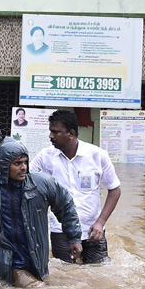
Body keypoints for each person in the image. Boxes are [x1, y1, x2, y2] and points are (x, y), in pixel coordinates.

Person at [0, 140, 82, 288]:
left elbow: (65, 206)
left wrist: (74, 238)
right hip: (9, 261)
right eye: (17, 163)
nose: (23, 167)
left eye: (25, 162)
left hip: (37, 258)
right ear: (5, 165)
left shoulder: (42, 183)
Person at [29, 109, 122, 264]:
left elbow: (115, 190)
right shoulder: (45, 157)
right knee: (65, 276)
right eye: (50, 131)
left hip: (93, 231)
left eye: (55, 132)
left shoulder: (97, 155)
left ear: (71, 134)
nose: (50, 136)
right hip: (61, 231)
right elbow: (25, 179)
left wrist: (100, 222)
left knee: (98, 276)